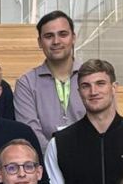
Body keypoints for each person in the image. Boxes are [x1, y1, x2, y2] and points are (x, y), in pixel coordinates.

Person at [14, 10, 84, 150]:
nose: (56, 41)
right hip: (47, 165)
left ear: (74, 38)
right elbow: (31, 132)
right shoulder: (26, 83)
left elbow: (104, 123)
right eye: (49, 36)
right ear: (40, 42)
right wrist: (55, 160)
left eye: (63, 34)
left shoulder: (92, 77)